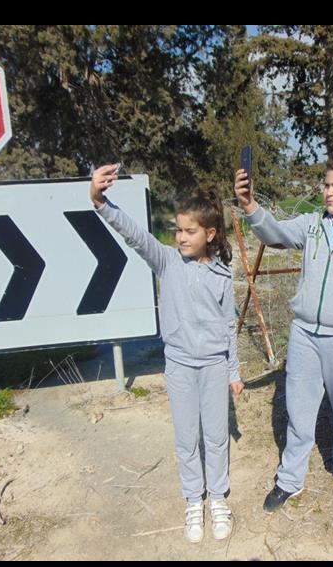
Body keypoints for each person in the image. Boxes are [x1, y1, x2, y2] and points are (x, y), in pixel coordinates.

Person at [233, 151, 333, 513]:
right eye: (325, 184)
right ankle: (289, 479)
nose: (327, 192)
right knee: (299, 410)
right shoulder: (311, 225)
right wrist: (249, 206)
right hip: (305, 333)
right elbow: (274, 233)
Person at [90, 164, 244, 543]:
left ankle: (217, 499)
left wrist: (234, 371)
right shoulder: (166, 261)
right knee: (186, 437)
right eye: (178, 229)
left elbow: (229, 326)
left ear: (210, 233)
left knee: (217, 436)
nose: (181, 237)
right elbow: (134, 234)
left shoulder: (223, 273)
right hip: (178, 367)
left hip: (212, 367)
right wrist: (99, 201)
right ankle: (194, 499)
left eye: (190, 231)